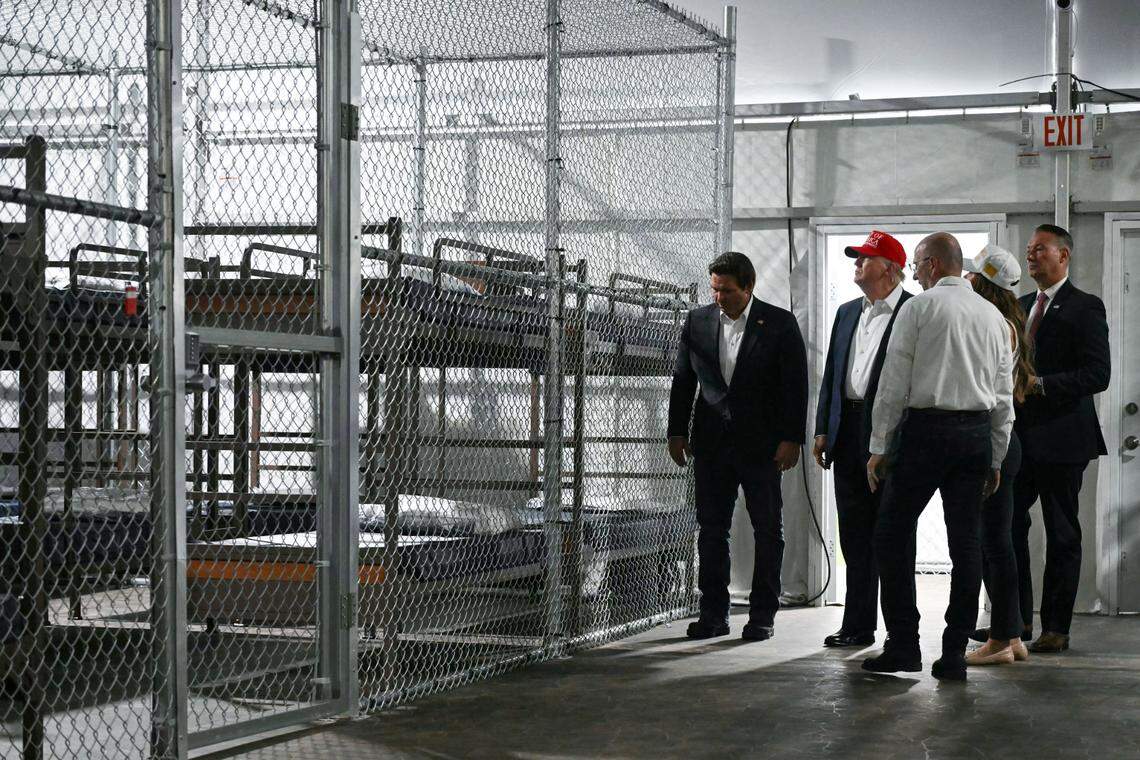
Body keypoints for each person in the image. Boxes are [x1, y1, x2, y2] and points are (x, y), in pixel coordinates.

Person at [861, 232, 1014, 681]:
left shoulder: (919, 308)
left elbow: (893, 383)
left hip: (926, 433)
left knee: (890, 534)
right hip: (974, 437)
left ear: (931, 265)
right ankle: (952, 652)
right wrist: (996, 458)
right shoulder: (993, 317)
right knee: (966, 544)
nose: (912, 273)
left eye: (915, 265)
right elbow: (1003, 398)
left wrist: (878, 446)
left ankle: (904, 644)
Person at [667, 251, 808, 642]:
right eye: (714, 289)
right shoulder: (697, 322)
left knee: (768, 529)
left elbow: (795, 385)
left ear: (748, 287)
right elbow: (683, 381)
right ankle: (713, 614)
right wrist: (676, 431)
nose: (719, 297)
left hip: (762, 445)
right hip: (711, 445)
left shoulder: (778, 323)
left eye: (727, 290)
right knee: (711, 529)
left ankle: (762, 616)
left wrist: (791, 437)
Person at [1009, 225, 1110, 654]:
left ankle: (1055, 628)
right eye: (1028, 251)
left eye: (1040, 250)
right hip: (1018, 438)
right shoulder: (1020, 305)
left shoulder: (1085, 307)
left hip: (1064, 438)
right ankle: (1012, 625)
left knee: (1062, 533)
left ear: (1064, 255)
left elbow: (1097, 374)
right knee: (1008, 526)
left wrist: (1042, 385)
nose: (1031, 257)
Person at [813, 231, 913, 648]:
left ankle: (899, 632)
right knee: (854, 533)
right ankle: (857, 625)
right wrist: (822, 427)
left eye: (865, 259)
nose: (857, 264)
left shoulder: (914, 310)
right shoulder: (847, 312)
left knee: (891, 534)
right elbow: (833, 373)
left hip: (890, 434)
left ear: (890, 269)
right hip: (847, 429)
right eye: (856, 258)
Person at [961, 244, 1035, 666]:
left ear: (981, 282)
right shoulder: (1011, 322)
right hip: (1006, 445)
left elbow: (999, 400)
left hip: (997, 445)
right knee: (1000, 542)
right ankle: (1012, 634)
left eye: (972, 276)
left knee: (993, 544)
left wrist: (993, 457)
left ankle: (1002, 640)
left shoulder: (993, 325)